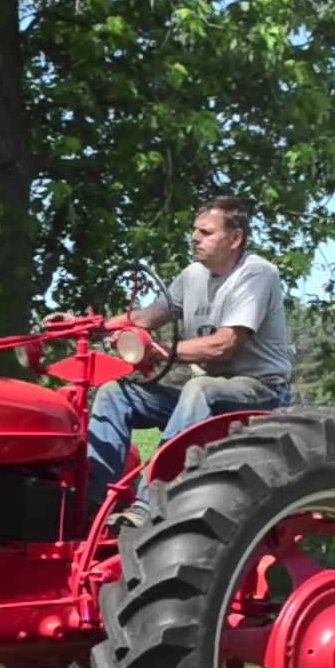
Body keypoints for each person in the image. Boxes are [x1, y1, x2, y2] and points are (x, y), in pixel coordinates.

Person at [87, 195, 295, 529]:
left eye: (205, 232)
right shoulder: (192, 276)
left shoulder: (257, 274)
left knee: (199, 388)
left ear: (235, 237)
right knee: (115, 392)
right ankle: (91, 503)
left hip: (260, 392)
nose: (194, 237)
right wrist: (92, 327)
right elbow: (146, 317)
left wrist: (161, 352)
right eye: (194, 231)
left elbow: (223, 346)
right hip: (208, 394)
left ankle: (148, 502)